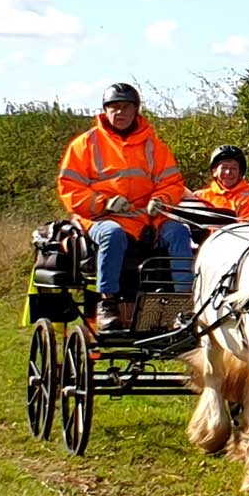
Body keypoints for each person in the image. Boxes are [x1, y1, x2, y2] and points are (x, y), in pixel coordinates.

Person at [57, 82, 193, 332]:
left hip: (148, 220)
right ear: (105, 111)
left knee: (179, 232)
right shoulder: (84, 145)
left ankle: (184, 306)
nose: (120, 113)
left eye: (126, 107)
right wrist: (104, 203)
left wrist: (162, 199)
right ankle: (107, 304)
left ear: (136, 111)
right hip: (100, 218)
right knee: (112, 234)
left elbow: (172, 182)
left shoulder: (154, 145)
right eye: (114, 107)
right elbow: (69, 189)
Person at [193, 145, 249, 221]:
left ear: (240, 173)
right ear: (214, 171)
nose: (228, 172)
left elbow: (247, 232)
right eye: (224, 167)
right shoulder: (200, 196)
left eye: (234, 168)